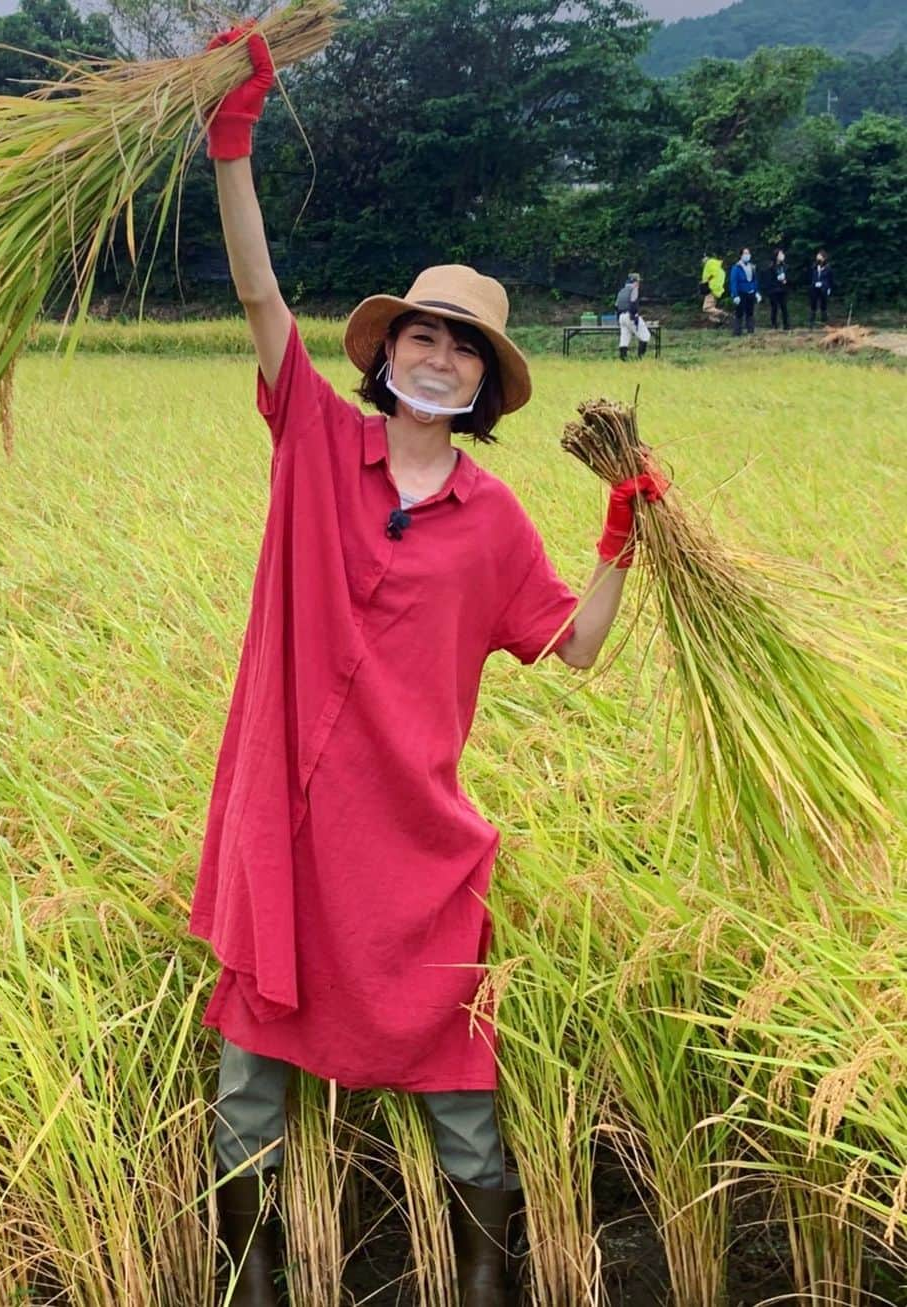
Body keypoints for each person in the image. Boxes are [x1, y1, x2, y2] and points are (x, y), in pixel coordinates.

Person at [189, 27, 667, 1307]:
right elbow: (256, 297)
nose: (439, 354)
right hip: (286, 823)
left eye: (463, 345)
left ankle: (490, 1287)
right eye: (424, 334)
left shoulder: (498, 521)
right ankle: (251, 1282)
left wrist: (621, 536)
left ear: (484, 381)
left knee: (460, 1086)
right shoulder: (310, 439)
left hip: (412, 843)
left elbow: (575, 648)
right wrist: (231, 142)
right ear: (386, 350)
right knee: (250, 1078)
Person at [614, 272, 651, 360]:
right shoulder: (634, 289)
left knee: (624, 338)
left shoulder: (621, 291)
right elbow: (633, 302)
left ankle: (623, 359)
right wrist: (634, 316)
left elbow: (616, 306)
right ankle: (640, 358)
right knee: (645, 336)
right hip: (630, 315)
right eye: (638, 281)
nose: (639, 283)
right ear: (634, 281)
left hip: (621, 317)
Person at [728, 246, 761, 336]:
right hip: (741, 293)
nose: (747, 255)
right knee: (739, 313)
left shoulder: (752, 266)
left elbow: (755, 280)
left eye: (748, 253)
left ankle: (750, 330)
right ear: (741, 255)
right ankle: (737, 332)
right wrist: (735, 295)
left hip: (751, 292)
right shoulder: (736, 267)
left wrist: (757, 292)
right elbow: (733, 281)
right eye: (745, 253)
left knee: (750, 312)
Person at [700, 253, 729, 326]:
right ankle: (719, 323)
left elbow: (711, 275)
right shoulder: (720, 268)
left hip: (711, 289)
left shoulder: (710, 263)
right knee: (712, 313)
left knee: (706, 308)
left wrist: (706, 281)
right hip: (717, 290)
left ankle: (723, 314)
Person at [808, 249, 834, 327]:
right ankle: (811, 322)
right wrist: (813, 283)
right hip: (814, 288)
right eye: (817, 257)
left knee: (824, 305)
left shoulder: (828, 268)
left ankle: (824, 321)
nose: (818, 259)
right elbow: (811, 277)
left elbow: (830, 279)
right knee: (813, 304)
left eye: (820, 258)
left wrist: (829, 288)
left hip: (823, 289)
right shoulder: (814, 267)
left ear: (824, 258)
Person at [767, 248, 790, 330]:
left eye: (782, 254)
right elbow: (769, 280)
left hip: (783, 290)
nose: (782, 256)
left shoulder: (785, 266)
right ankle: (774, 324)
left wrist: (785, 280)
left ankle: (786, 325)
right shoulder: (771, 267)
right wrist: (777, 279)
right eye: (780, 254)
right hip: (774, 290)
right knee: (774, 308)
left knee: (784, 307)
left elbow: (788, 277)